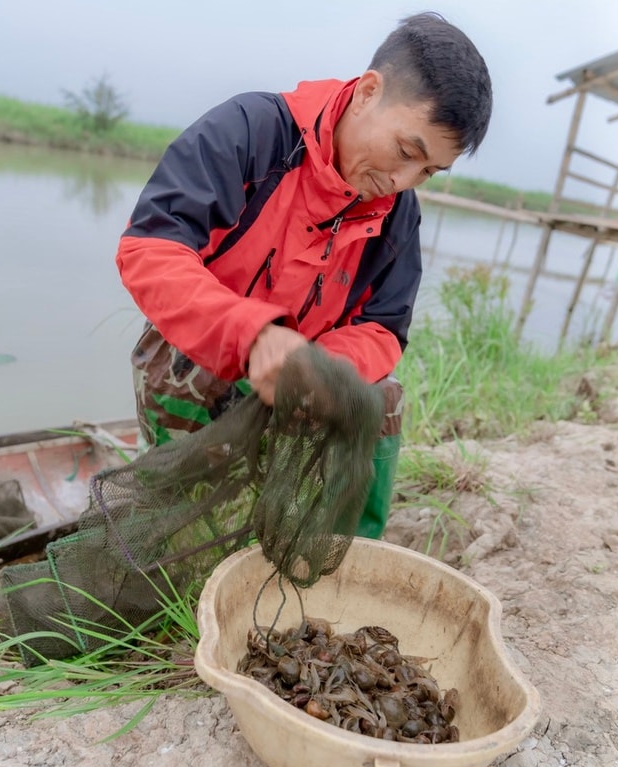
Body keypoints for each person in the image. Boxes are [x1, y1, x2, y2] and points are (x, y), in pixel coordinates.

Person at [116, 12, 493, 539]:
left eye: (428, 172)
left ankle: (344, 551)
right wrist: (254, 335)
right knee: (166, 511)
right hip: (207, 351)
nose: (402, 181)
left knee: (383, 396)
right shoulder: (252, 132)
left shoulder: (398, 211)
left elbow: (385, 327)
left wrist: (321, 366)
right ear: (367, 92)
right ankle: (161, 517)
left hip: (298, 380)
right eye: (407, 151)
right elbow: (150, 249)